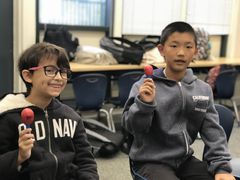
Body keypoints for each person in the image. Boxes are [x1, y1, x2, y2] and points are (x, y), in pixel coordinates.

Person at [122, 21, 235, 180]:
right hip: (149, 162)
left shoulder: (203, 90)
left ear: (196, 51)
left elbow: (213, 132)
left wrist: (221, 167)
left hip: (184, 160)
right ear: (161, 50)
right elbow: (133, 128)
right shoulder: (144, 86)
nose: (181, 53)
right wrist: (144, 105)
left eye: (188, 47)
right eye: (174, 46)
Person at [0, 42, 99, 180]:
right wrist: (19, 156)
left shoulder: (71, 117)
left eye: (63, 72)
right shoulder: (7, 116)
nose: (59, 77)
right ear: (28, 75)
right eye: (50, 70)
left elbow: (86, 161)